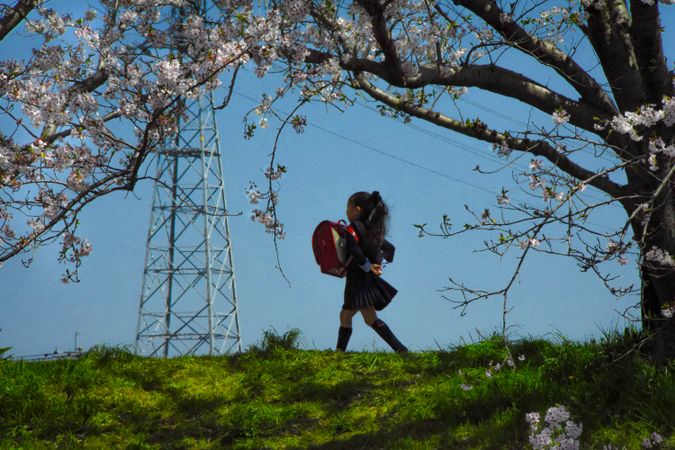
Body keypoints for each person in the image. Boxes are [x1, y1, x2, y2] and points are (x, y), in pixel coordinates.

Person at [336, 190, 408, 353]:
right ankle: (400, 349)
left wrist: (367, 265)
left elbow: (354, 249)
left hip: (357, 280)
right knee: (368, 318)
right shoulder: (376, 230)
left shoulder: (353, 228)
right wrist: (378, 264)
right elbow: (389, 249)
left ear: (358, 209)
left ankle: (339, 352)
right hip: (368, 280)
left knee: (348, 315)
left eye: (348, 207)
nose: (346, 212)